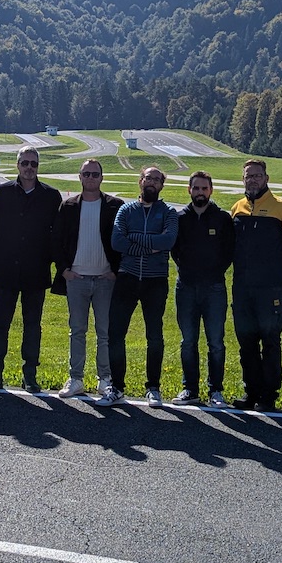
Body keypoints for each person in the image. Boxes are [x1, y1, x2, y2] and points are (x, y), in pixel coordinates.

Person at [95, 166, 178, 407]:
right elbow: (117, 242)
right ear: (140, 181)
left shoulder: (168, 212)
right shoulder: (126, 210)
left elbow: (168, 241)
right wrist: (151, 246)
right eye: (148, 178)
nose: (152, 182)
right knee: (116, 333)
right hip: (127, 277)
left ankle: (153, 387)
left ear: (162, 185)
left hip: (155, 280)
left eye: (157, 179)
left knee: (154, 335)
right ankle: (117, 387)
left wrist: (135, 238)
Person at [0, 146, 62, 393]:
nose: (29, 168)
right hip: (5, 271)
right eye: (25, 163)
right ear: (17, 165)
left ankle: (30, 376)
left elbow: (57, 235)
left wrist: (49, 259)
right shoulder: (2, 192)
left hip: (35, 272)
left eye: (33, 164)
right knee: (0, 325)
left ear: (38, 166)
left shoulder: (51, 196)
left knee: (33, 326)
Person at [230, 159, 282, 412]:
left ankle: (268, 395)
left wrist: (275, 270)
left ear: (266, 178)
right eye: (248, 176)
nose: (252, 180)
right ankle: (250, 391)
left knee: (270, 342)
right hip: (242, 289)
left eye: (257, 175)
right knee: (246, 341)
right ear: (243, 180)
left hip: (271, 289)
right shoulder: (237, 209)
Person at [50, 159, 122, 399]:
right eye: (86, 174)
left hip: (105, 279)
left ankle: (105, 379)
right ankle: (76, 378)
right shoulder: (68, 206)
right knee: (77, 330)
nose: (91, 178)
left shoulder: (115, 206)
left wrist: (115, 271)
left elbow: (122, 241)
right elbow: (56, 241)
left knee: (105, 332)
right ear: (79, 177)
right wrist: (64, 270)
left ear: (102, 177)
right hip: (77, 278)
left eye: (95, 174)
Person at [170, 171, 235, 407]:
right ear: (189, 190)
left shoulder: (222, 218)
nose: (200, 192)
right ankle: (190, 389)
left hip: (214, 288)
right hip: (186, 287)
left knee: (216, 342)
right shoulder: (180, 218)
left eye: (204, 188)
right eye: (196, 188)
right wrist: (187, 270)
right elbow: (175, 251)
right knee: (188, 341)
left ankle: (216, 390)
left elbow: (229, 251)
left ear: (211, 190)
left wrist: (213, 272)